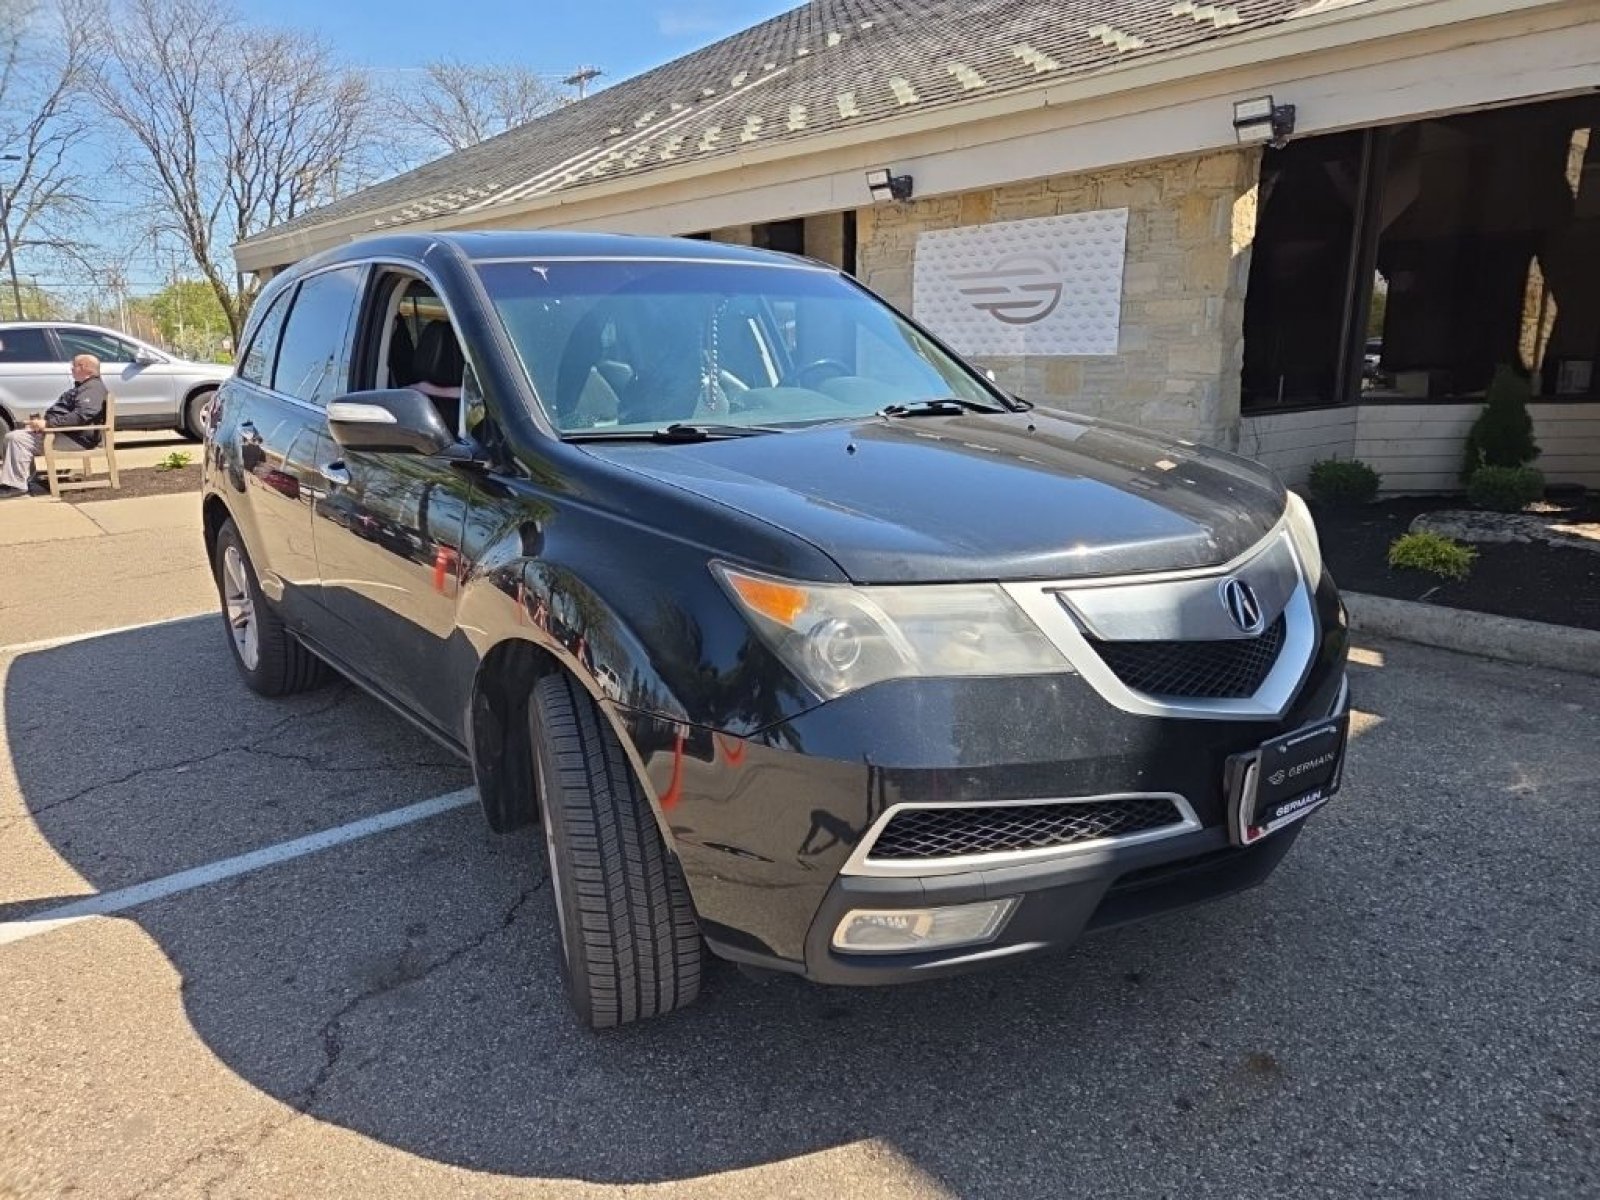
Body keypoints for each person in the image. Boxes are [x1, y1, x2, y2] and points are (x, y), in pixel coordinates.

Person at [0, 354, 108, 498]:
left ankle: (17, 486)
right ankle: (24, 481)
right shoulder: (85, 387)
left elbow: (82, 415)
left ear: (84, 367)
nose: (71, 369)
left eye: (74, 366)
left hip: (75, 438)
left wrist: (48, 424)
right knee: (17, 435)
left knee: (17, 438)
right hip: (65, 433)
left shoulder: (93, 388)